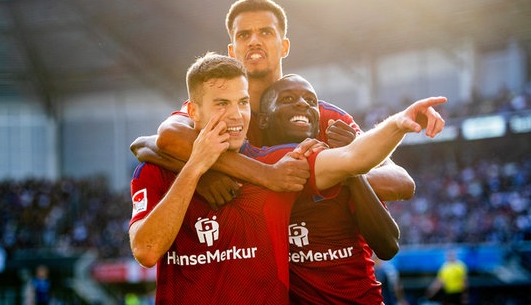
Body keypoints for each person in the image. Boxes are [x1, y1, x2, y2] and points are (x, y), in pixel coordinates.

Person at [130, 52, 447, 304]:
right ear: (193, 113)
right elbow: (145, 250)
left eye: (242, 103)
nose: (235, 113)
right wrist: (199, 171)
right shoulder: (159, 169)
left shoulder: (283, 160)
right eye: (221, 104)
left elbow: (357, 160)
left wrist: (398, 123)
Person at [130, 0, 416, 209]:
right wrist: (263, 177)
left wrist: (332, 172)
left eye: (266, 32)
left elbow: (401, 181)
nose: (254, 41)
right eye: (244, 35)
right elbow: (164, 138)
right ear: (232, 50)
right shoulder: (220, 111)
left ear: (285, 46)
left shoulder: (319, 114)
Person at [258, 74, 400, 304]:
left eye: (310, 100)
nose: (303, 103)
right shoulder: (256, 168)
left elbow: (388, 246)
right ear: (263, 120)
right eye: (288, 98)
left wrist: (351, 168)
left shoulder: (344, 168)